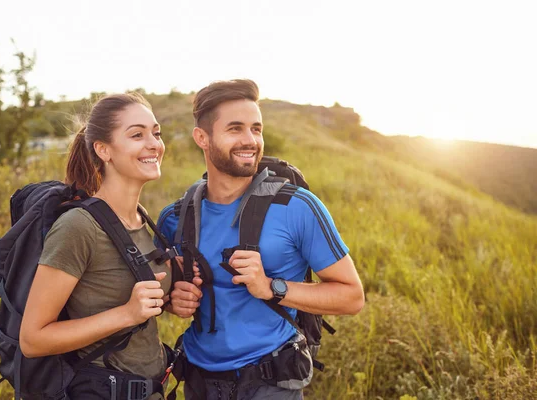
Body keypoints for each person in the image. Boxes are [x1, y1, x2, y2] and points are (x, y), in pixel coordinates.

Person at [158, 79, 365, 400]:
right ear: (202, 137)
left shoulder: (297, 207)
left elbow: (351, 297)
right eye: (236, 129)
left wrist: (271, 287)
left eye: (256, 129)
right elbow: (160, 298)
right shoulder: (175, 218)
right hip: (198, 382)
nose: (250, 140)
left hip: (270, 382)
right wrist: (174, 301)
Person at [19, 93, 171, 400]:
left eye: (156, 133)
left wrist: (172, 300)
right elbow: (33, 340)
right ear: (103, 149)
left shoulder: (142, 221)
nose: (154, 143)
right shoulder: (79, 226)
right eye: (137, 135)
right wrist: (127, 313)